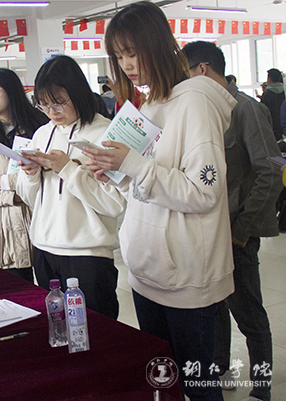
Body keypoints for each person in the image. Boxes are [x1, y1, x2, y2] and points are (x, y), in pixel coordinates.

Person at [82, 3, 236, 399]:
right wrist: (115, 174)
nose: (126, 65)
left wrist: (132, 164)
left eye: (132, 52)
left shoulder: (195, 102)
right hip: (147, 271)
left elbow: (203, 192)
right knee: (162, 384)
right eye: (119, 56)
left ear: (157, 44)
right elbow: (145, 189)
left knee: (198, 386)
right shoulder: (147, 106)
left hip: (186, 278)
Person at [184, 40, 282, 401]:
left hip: (235, 231)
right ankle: (221, 367)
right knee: (215, 306)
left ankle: (262, 387)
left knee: (249, 313)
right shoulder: (203, 111)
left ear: (202, 70)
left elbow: (271, 172)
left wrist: (242, 231)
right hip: (207, 231)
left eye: (185, 74)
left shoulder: (245, 110)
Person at [15, 56, 125, 313]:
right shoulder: (42, 133)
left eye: (58, 103)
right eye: (44, 105)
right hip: (44, 248)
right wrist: (30, 174)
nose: (52, 113)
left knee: (97, 329)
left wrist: (67, 168)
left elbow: (114, 203)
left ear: (78, 93)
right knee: (56, 328)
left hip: (88, 253)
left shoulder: (105, 134)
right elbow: (30, 198)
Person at [0, 68, 48, 282]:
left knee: (51, 290)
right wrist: (13, 195)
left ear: (11, 90)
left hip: (42, 219)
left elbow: (48, 173)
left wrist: (3, 181)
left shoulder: (40, 127)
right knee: (18, 292)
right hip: (6, 230)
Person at [261, 68, 285, 143]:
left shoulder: (267, 94)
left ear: (269, 79)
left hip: (272, 128)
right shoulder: (284, 92)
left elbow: (262, 112)